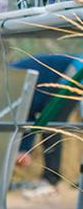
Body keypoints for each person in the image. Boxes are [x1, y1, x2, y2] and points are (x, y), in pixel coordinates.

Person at [10, 54, 83, 196]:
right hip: (70, 73)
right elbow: (28, 113)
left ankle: (51, 182)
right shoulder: (10, 77)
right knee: (50, 125)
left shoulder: (8, 80)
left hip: (75, 72)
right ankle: (51, 180)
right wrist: (24, 149)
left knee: (51, 127)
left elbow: (28, 113)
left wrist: (24, 149)